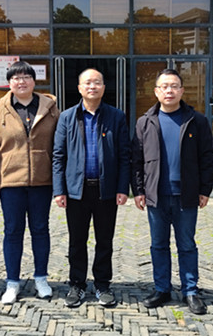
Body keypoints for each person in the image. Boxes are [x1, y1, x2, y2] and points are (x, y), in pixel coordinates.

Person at [131, 68, 213, 315]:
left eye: (174, 86)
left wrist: (205, 189)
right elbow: (137, 159)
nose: (169, 90)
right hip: (156, 194)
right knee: (158, 244)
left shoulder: (196, 120)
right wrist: (138, 190)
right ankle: (162, 288)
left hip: (186, 194)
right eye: (164, 86)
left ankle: (190, 291)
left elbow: (207, 157)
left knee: (186, 244)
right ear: (156, 91)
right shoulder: (145, 122)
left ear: (182, 90)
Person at [0, 61, 59, 305]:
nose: (21, 81)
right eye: (16, 78)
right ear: (9, 83)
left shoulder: (50, 109)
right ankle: (12, 283)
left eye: (26, 77)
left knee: (40, 230)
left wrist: (60, 182)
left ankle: (41, 279)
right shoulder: (0, 109)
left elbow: (60, 145)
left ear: (34, 81)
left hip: (42, 181)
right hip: (10, 182)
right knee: (13, 231)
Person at [52, 69, 131, 308]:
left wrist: (122, 188)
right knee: (77, 240)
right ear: (79, 88)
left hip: (106, 190)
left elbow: (124, 155)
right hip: (77, 190)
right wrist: (59, 190)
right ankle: (76, 284)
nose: (92, 87)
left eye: (97, 82)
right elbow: (58, 155)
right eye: (87, 83)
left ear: (104, 87)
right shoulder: (67, 117)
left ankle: (102, 285)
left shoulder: (116, 116)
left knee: (104, 240)